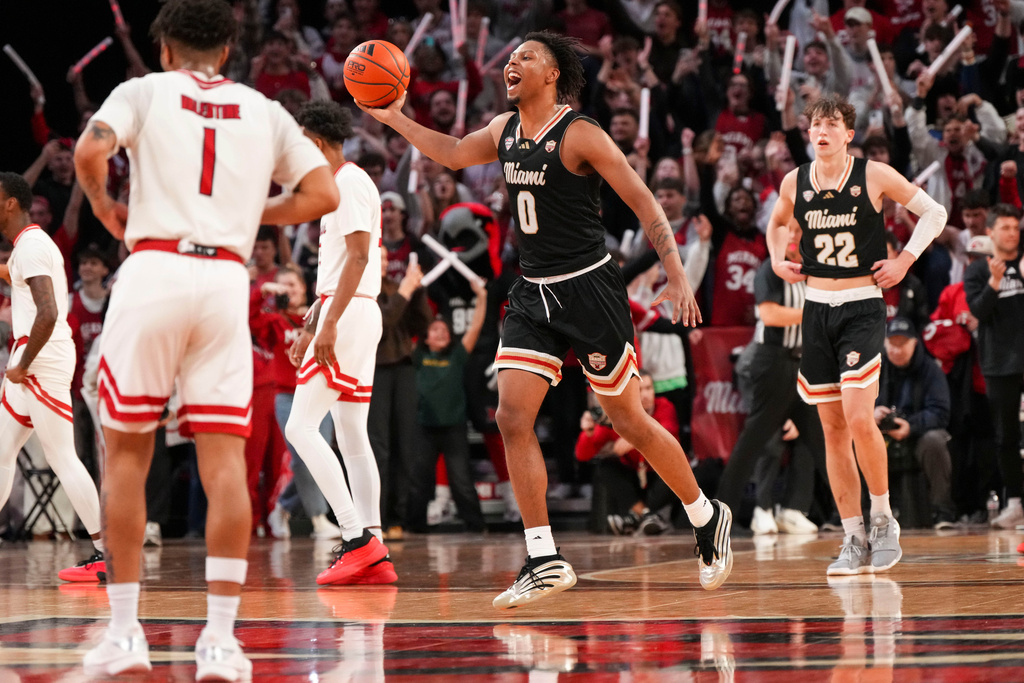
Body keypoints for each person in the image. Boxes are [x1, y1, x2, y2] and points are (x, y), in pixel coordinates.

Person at [360, 31, 734, 607]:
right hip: (533, 293)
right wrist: (394, 117)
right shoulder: (505, 131)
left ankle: (705, 514)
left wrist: (677, 275)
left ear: (553, 74)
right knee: (512, 416)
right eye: (509, 59)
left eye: (525, 58)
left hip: (590, 291)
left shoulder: (579, 133)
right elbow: (455, 152)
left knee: (627, 420)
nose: (511, 65)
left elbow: (644, 201)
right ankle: (543, 556)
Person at [73, 0, 338, 677]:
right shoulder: (263, 108)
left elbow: (89, 150)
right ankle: (221, 640)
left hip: (154, 267)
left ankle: (126, 630)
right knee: (225, 464)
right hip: (225, 279)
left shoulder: (142, 90)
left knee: (128, 455)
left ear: (164, 51)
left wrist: (105, 206)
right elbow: (321, 194)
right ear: (226, 53)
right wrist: (251, 213)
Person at [766, 93, 947, 576]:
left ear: (848, 134)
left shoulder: (873, 175)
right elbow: (778, 223)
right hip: (817, 308)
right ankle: (853, 536)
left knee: (859, 418)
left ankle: (884, 518)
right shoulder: (794, 180)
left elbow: (935, 213)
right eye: (814, 125)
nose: (821, 132)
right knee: (832, 430)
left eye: (831, 124)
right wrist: (776, 259)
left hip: (863, 307)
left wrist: (905, 260)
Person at [284, 100, 394, 586]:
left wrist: (327, 324)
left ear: (317, 141)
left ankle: (355, 538)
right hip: (352, 309)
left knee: (300, 427)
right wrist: (313, 320)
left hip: (347, 313)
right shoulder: (345, 184)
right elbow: (343, 269)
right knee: (350, 433)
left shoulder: (347, 182)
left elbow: (357, 258)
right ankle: (373, 542)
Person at [0, 172, 106, 581]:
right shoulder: (28, 246)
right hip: (32, 356)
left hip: (40, 358)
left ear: (11, 203)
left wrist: (24, 363)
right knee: (4, 452)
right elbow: (21, 282)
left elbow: (47, 313)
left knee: (62, 456)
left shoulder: (30, 247)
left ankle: (105, 555)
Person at [716, 224, 826, 536]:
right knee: (767, 437)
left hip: (802, 362)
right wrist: (814, 313)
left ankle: (794, 508)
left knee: (813, 439)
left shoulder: (816, 271)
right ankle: (758, 508)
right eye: (787, 230)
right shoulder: (770, 269)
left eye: (798, 230)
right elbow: (771, 315)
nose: (792, 236)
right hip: (766, 361)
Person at [963, 204, 1024, 529]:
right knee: (1006, 436)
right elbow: (977, 312)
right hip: (998, 362)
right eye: (1005, 227)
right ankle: (1014, 503)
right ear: (990, 231)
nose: (1011, 233)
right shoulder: (977, 270)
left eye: (1015, 227)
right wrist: (995, 282)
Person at [875, 316, 956, 529]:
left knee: (935, 441)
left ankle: (942, 511)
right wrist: (872, 414)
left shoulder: (931, 370)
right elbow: (856, 407)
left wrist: (911, 425)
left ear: (914, 343)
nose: (896, 349)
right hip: (882, 437)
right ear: (884, 343)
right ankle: (867, 513)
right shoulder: (875, 369)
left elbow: (941, 413)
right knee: (854, 441)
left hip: (918, 435)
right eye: (892, 343)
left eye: (902, 343)